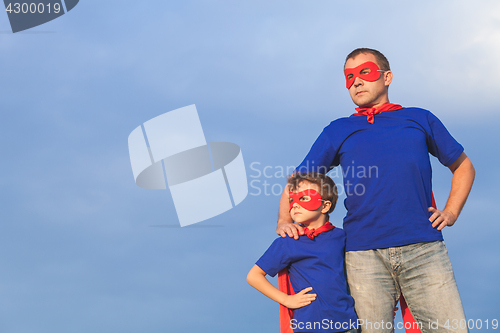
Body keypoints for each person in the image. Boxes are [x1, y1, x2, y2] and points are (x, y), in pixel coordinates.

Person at [276, 48, 475, 333]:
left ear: (387, 77)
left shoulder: (419, 119)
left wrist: (452, 211)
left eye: (364, 72)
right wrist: (284, 219)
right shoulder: (338, 130)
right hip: (362, 255)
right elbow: (298, 179)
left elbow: (464, 166)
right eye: (349, 77)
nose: (356, 82)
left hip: (423, 248)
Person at [247, 172, 358, 333]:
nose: (295, 205)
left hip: (346, 324)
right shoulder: (288, 242)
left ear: (325, 206)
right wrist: (286, 300)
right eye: (292, 200)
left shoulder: (342, 237)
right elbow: (254, 276)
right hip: (309, 326)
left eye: (304, 198)